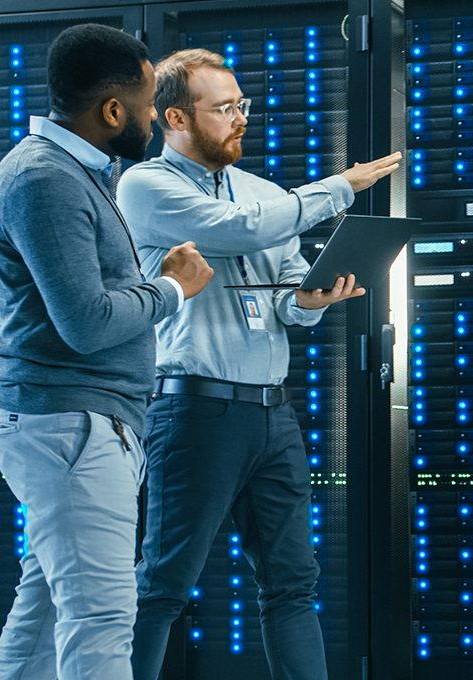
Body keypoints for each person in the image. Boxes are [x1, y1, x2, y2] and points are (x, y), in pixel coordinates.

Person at [115, 48, 400, 680]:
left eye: (241, 104)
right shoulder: (145, 186)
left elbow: (291, 287)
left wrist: (313, 300)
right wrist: (338, 188)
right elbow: (238, 230)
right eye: (223, 109)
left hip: (273, 416)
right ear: (175, 119)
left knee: (293, 582)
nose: (240, 118)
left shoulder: (263, 192)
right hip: (194, 410)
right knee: (163, 583)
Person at [0, 23, 214, 680]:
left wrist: (149, 281)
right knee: (101, 617)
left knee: (48, 609)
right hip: (71, 425)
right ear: (111, 111)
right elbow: (86, 322)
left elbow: (85, 299)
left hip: (74, 423)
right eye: (145, 106)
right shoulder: (45, 181)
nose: (155, 121)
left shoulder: (71, 173)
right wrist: (172, 288)